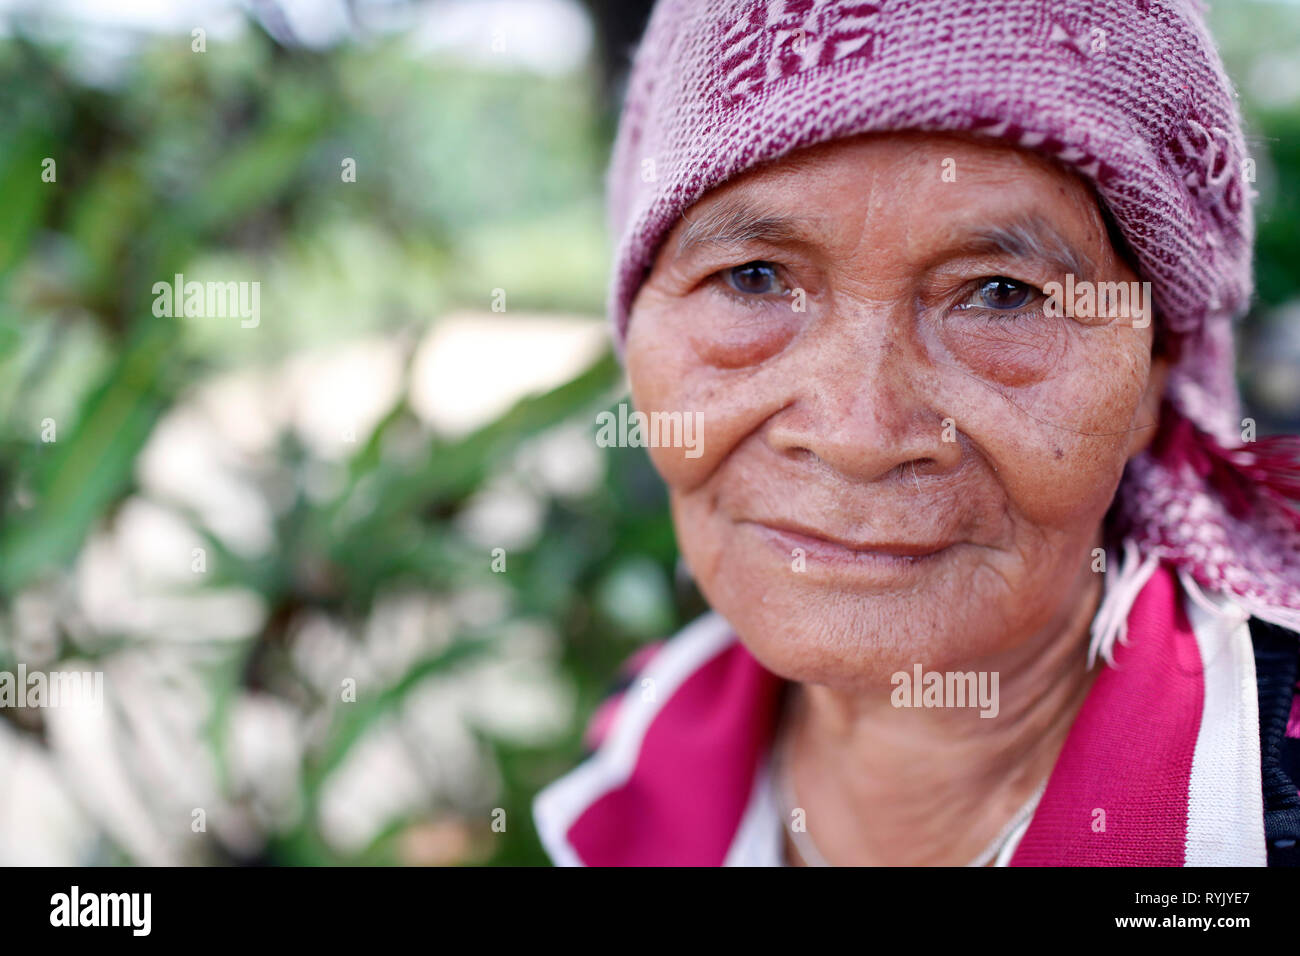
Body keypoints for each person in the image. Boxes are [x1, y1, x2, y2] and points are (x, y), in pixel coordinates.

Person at [534, 0, 1300, 866]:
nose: (859, 435)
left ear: (1155, 375)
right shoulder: (641, 731)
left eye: (1002, 294)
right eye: (752, 279)